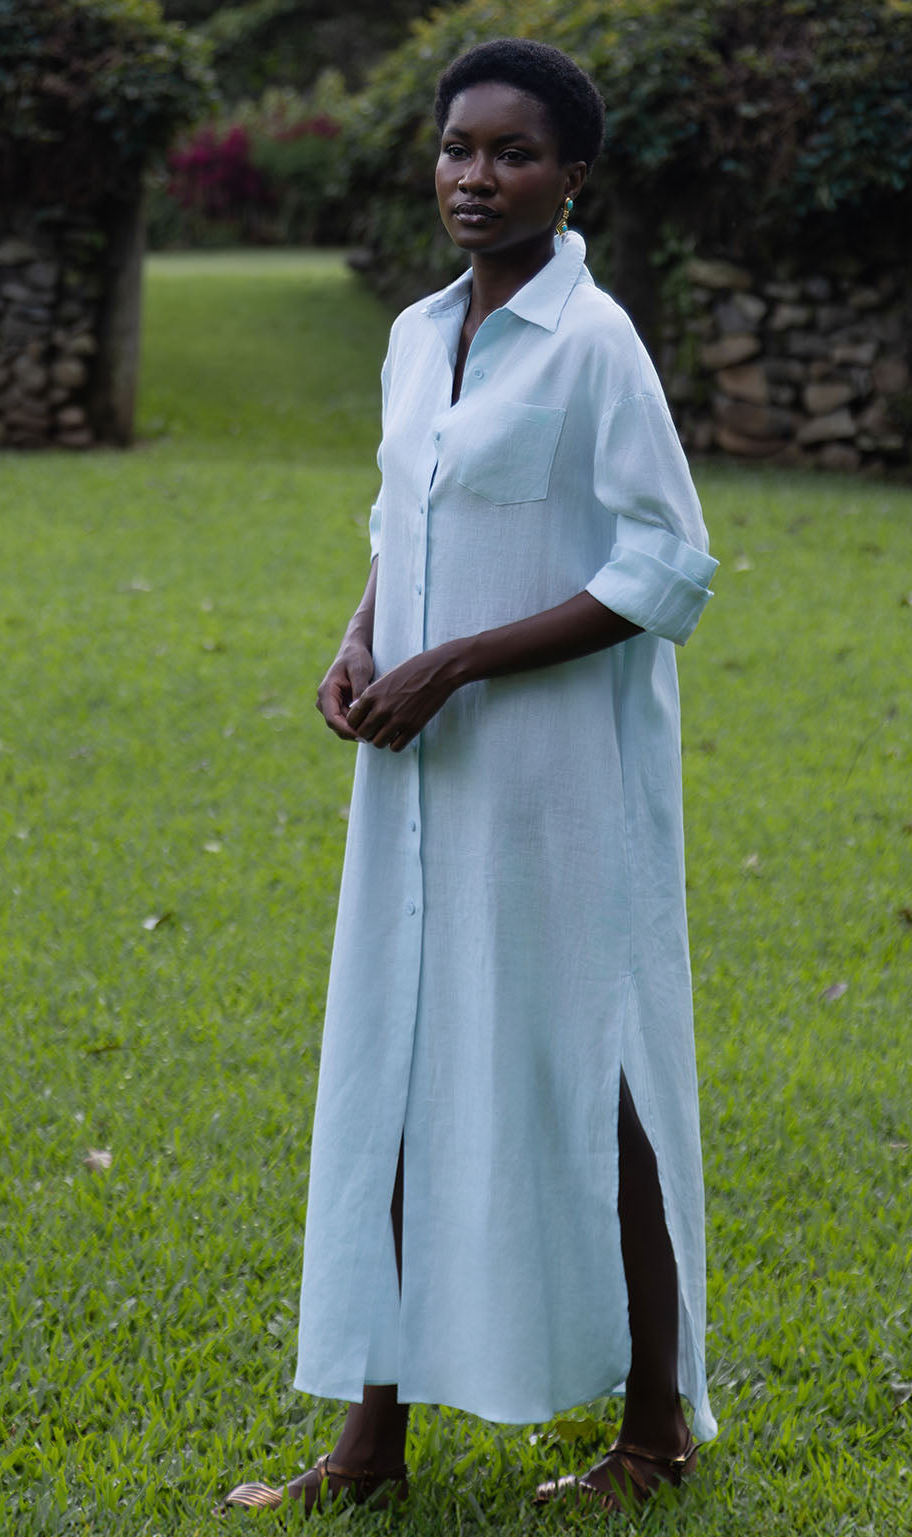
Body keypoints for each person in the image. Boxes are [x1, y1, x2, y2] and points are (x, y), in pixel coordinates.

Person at [225, 36, 718, 1518]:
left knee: (603, 1071)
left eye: (512, 153)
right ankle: (369, 1439)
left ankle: (654, 1430)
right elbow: (403, 523)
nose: (475, 176)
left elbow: (667, 565)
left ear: (573, 177)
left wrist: (458, 662)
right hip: (420, 779)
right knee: (391, 1061)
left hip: (560, 778)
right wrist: (366, 642)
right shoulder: (413, 333)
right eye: (457, 148)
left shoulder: (594, 342)